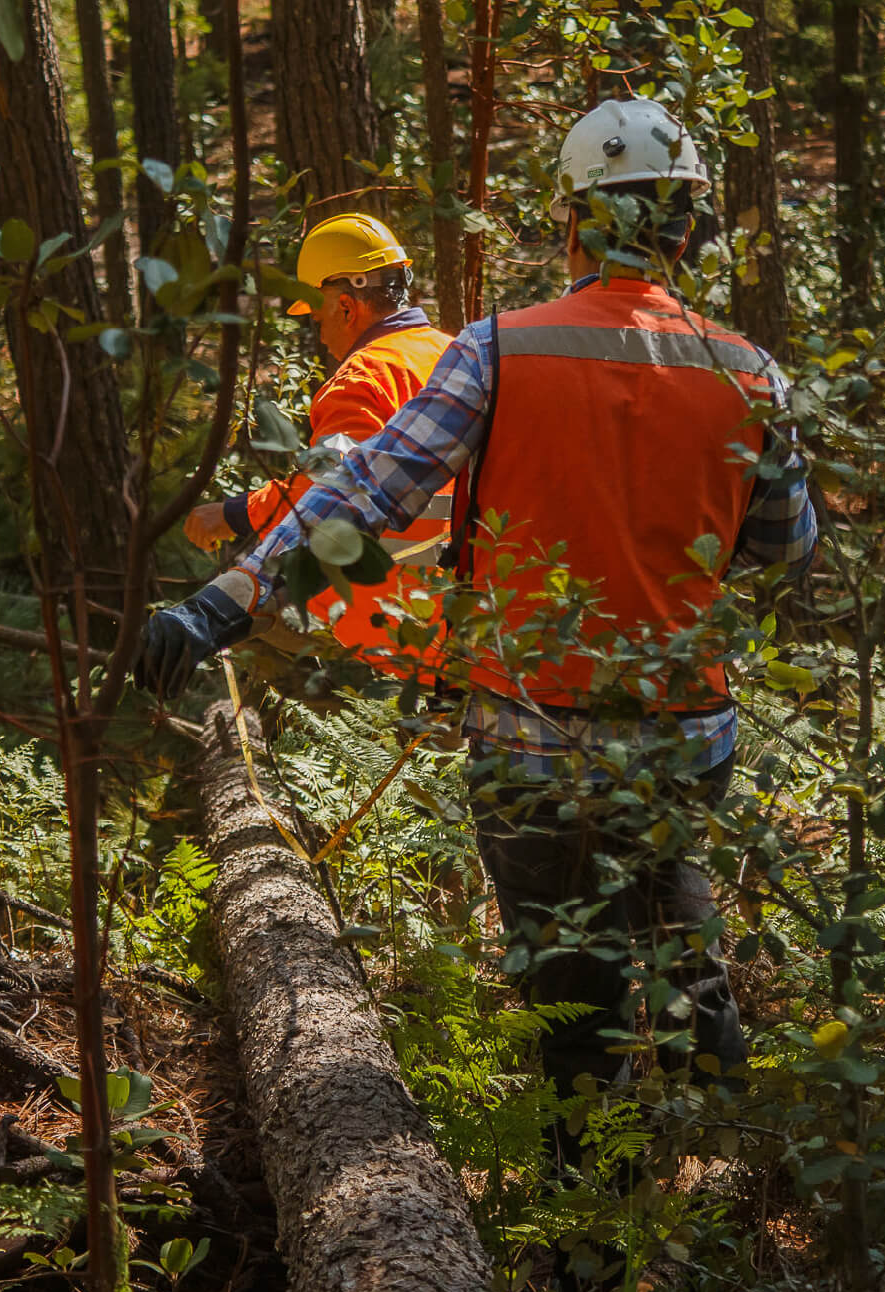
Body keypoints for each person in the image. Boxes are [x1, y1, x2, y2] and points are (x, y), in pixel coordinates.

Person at [137, 98, 816, 1138]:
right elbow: (785, 545)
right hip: (683, 730)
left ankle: (591, 1232)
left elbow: (361, 497)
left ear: (570, 222)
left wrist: (218, 607)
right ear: (686, 227)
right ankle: (739, 1189)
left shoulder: (499, 351)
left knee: (572, 1000)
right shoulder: (747, 370)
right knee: (683, 950)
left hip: (529, 733)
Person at [183, 213, 453, 679]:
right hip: (474, 603)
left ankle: (332, 742)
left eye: (317, 317)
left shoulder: (361, 381)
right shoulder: (454, 353)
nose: (320, 335)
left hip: (395, 617)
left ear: (347, 308)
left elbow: (326, 491)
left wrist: (233, 513)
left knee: (252, 624)